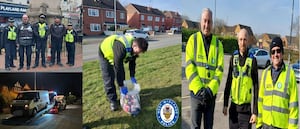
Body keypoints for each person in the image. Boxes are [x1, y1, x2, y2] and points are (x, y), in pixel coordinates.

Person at [185, 8, 224, 129]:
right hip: (196, 95)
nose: (206, 25)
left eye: (209, 21)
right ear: (200, 21)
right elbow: (189, 66)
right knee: (195, 127)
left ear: (212, 23)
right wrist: (199, 89)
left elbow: (220, 70)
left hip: (210, 96)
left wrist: (209, 90)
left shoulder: (218, 45)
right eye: (204, 21)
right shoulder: (193, 40)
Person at [256, 37, 299, 129]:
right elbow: (260, 101)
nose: (275, 54)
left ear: (282, 53)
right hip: (265, 125)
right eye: (273, 51)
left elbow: (294, 106)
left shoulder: (290, 74)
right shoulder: (265, 73)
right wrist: (259, 124)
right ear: (270, 55)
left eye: (278, 51)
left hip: (281, 126)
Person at [99, 35, 148, 111]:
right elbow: (118, 68)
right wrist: (121, 85)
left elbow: (132, 63)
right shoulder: (121, 48)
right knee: (109, 77)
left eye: (140, 52)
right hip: (105, 52)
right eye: (138, 51)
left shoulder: (133, 48)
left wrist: (132, 76)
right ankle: (112, 101)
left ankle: (126, 94)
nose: (138, 53)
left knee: (123, 77)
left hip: (116, 54)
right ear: (134, 46)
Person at [222, 29, 258, 129]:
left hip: (246, 112)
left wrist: (255, 112)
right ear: (238, 41)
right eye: (240, 39)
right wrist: (225, 104)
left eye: (245, 40)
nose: (242, 43)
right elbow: (228, 81)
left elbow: (256, 87)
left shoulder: (253, 61)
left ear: (248, 41)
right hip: (233, 109)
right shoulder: (233, 58)